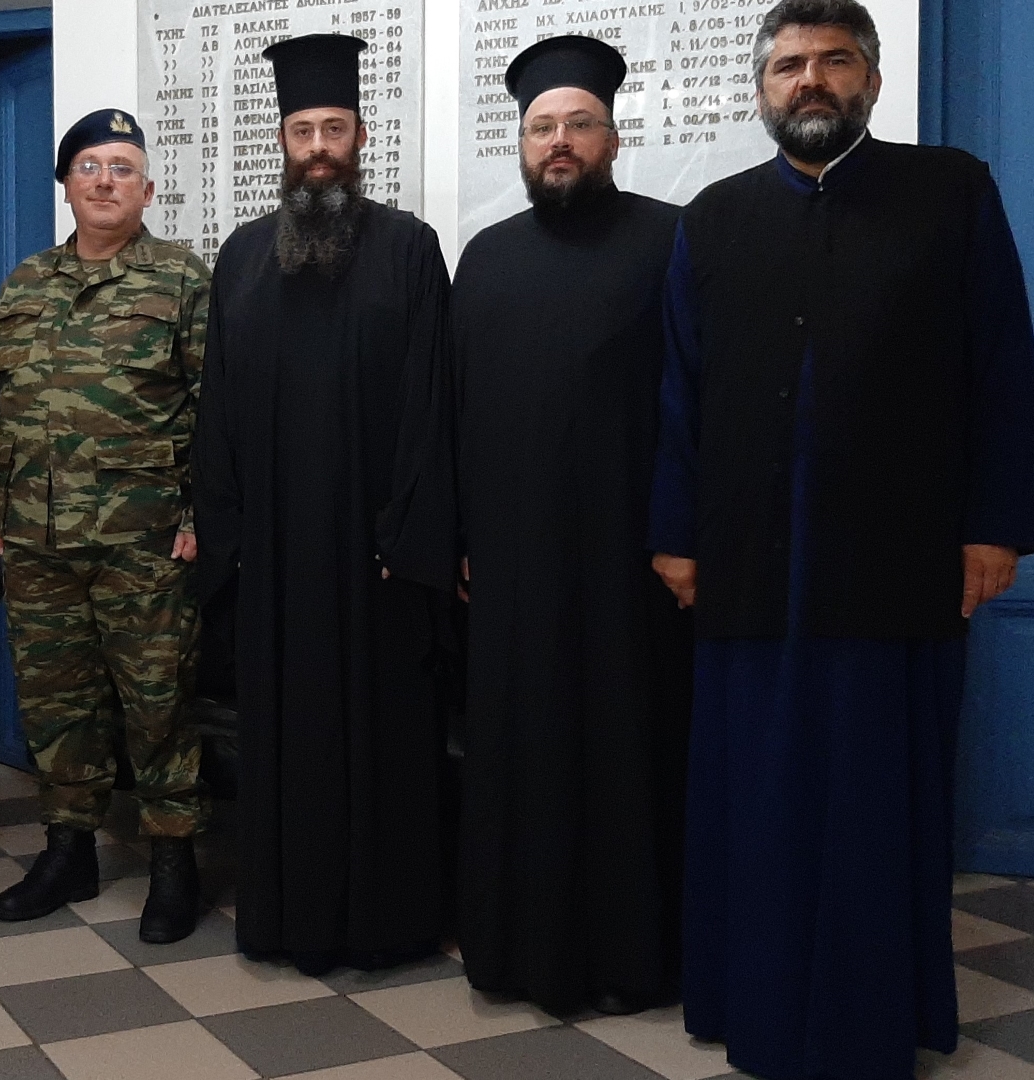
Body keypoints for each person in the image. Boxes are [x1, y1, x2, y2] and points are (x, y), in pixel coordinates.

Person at [648, 2, 1034, 1076]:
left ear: (870, 78)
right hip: (750, 562)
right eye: (788, 65)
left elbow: (1002, 365)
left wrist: (995, 528)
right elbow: (680, 389)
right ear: (761, 88)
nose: (809, 80)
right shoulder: (714, 217)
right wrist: (675, 535)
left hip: (895, 560)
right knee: (760, 800)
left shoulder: (950, 191)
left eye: (833, 61)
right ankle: (755, 1007)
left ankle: (874, 1020)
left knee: (874, 800)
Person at [192, 34, 457, 975]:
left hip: (377, 562)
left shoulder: (411, 251)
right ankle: (288, 919)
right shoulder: (240, 259)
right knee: (288, 747)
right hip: (275, 565)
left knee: (385, 740)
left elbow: (433, 408)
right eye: (302, 129)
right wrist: (228, 542)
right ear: (281, 139)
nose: (317, 148)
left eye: (333, 129)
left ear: (360, 137)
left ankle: (386, 924)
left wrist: (409, 538)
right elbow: (217, 412)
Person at [452, 36, 692, 1017]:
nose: (560, 141)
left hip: (637, 563)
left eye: (579, 124)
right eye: (542, 126)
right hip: (515, 565)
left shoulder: (674, 241)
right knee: (525, 752)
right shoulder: (486, 258)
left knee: (635, 749)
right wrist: (460, 537)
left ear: (613, 137)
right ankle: (521, 951)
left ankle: (639, 956)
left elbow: (700, 403)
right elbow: (454, 413)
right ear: (521, 143)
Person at [0, 109, 211, 944]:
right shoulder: (25, 283)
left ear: (149, 188)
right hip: (37, 539)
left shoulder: (182, 280)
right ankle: (68, 851)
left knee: (157, 703)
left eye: (122, 167)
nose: (105, 181)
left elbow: (219, 409)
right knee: (56, 702)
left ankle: (174, 861)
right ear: (66, 185)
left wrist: (202, 515)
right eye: (90, 166)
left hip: (144, 542)